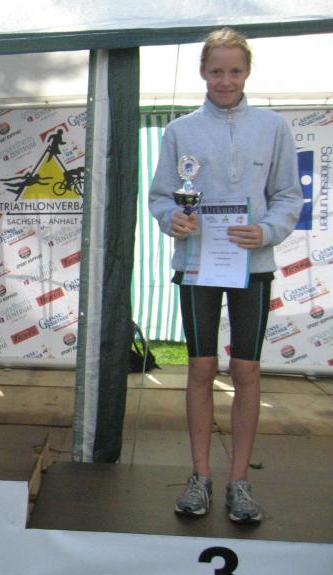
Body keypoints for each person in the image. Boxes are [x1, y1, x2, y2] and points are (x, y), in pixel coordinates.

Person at [149, 28, 302, 523]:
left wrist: (268, 230)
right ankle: (200, 477)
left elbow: (288, 196)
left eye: (234, 71)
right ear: (203, 72)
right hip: (197, 264)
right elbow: (161, 196)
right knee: (199, 367)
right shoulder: (180, 130)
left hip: (252, 265)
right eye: (216, 71)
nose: (225, 80)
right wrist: (172, 219)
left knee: (247, 370)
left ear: (247, 72)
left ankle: (240, 481)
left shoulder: (273, 127)